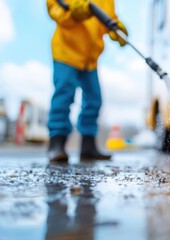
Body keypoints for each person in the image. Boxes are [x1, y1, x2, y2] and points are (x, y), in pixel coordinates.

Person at [46, 0, 128, 162]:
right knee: (64, 95)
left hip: (90, 58)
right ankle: (56, 143)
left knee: (94, 100)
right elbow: (54, 8)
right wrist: (74, 12)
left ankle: (88, 146)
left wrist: (115, 27)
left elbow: (107, 17)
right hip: (66, 51)